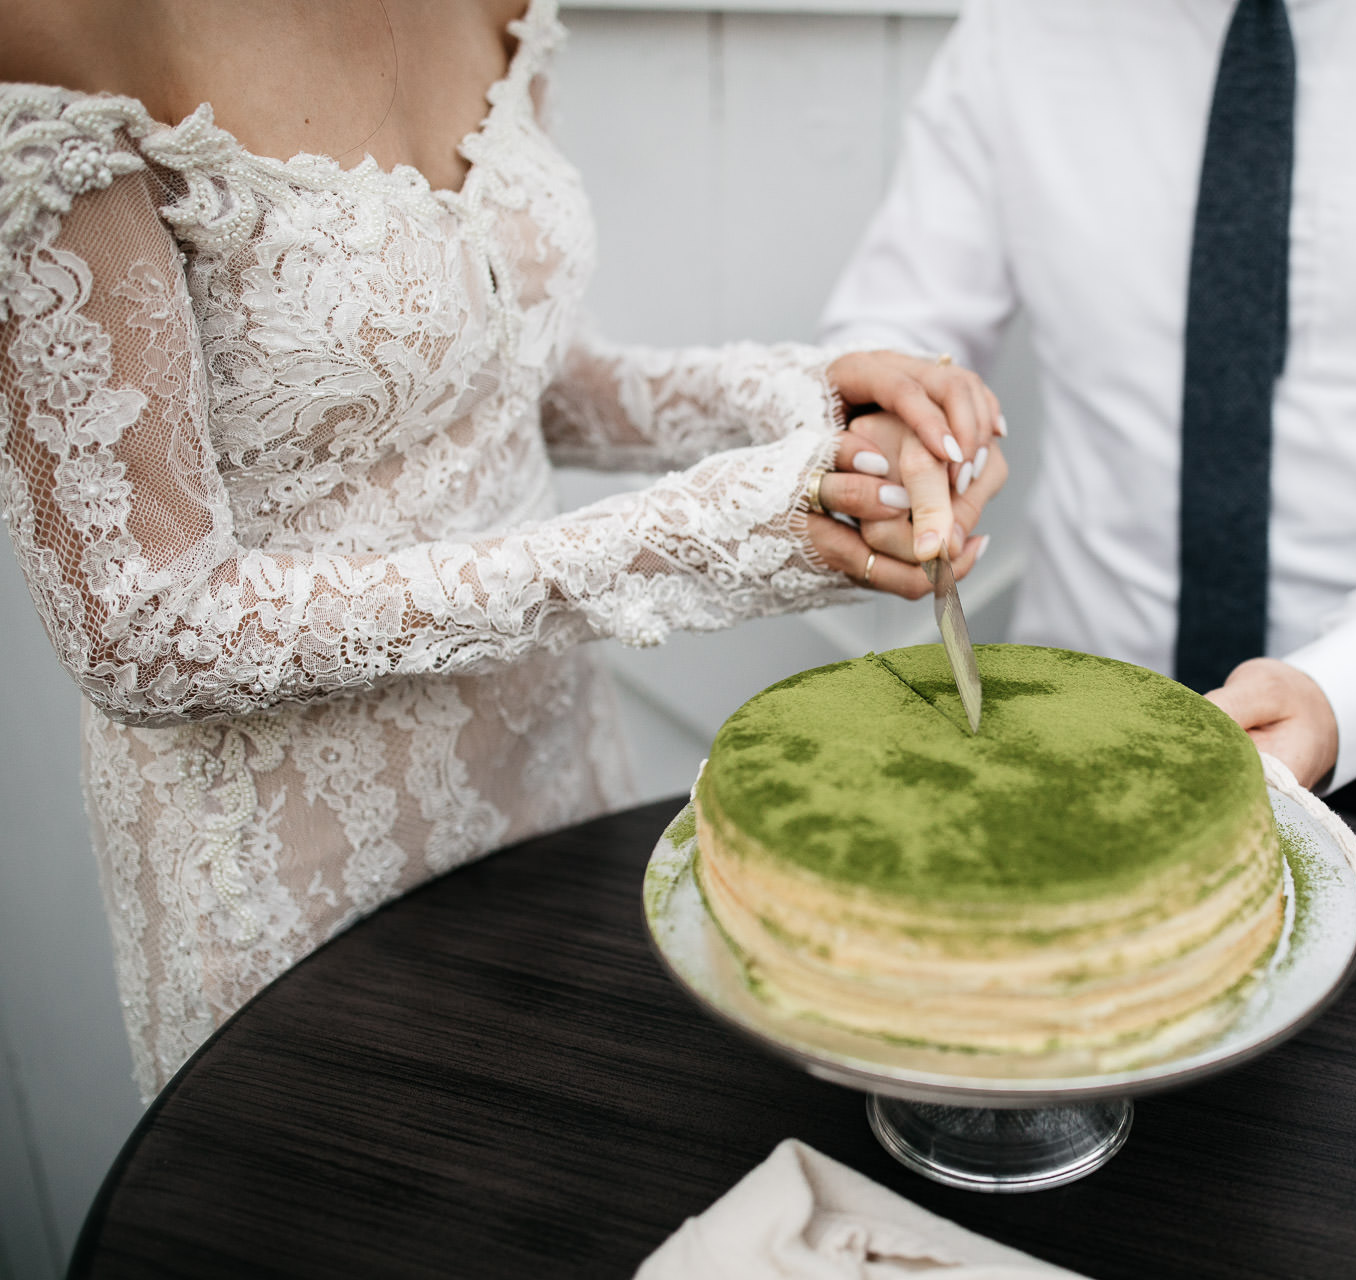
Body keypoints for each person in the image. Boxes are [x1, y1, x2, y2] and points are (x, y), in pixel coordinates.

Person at [0, 0, 1005, 1099]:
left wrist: (804, 396)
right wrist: (670, 546)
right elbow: (143, 628)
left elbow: (509, 369)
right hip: (296, 858)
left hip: (552, 764)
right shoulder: (59, 34)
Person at [821, 0, 1356, 889]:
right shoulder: (1022, 24)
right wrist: (890, 427)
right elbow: (904, 320)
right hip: (1067, 741)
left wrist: (1351, 689)